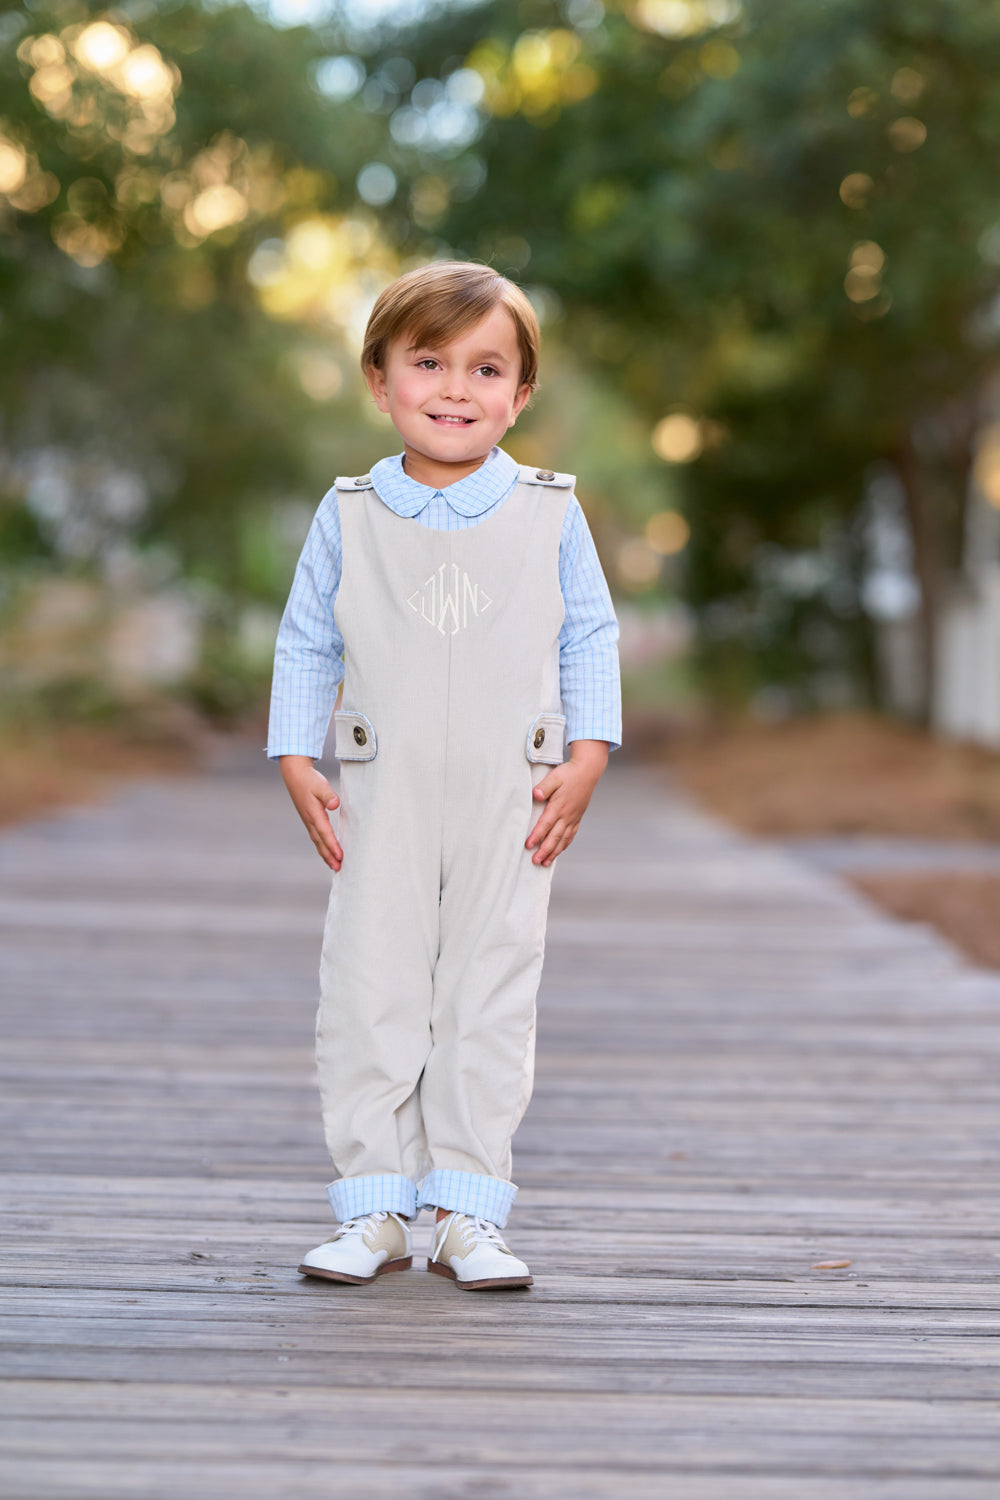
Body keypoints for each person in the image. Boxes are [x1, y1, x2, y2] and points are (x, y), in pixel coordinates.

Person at [268, 260, 621, 1290]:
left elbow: (590, 634)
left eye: (485, 368)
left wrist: (589, 753)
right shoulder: (349, 512)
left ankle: (467, 1210)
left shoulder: (550, 512)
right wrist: (295, 753)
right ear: (379, 380)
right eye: (428, 363)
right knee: (367, 986)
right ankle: (374, 1207)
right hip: (382, 795)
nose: (456, 389)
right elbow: (306, 640)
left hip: (513, 798)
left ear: (521, 392)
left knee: (489, 989)